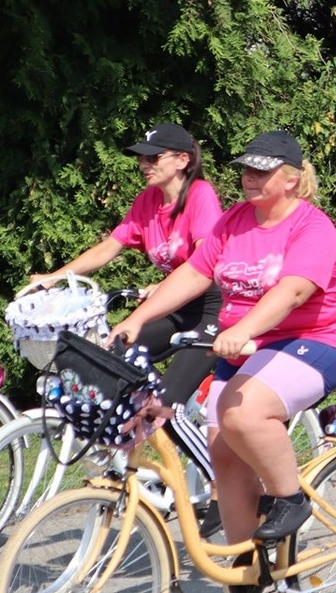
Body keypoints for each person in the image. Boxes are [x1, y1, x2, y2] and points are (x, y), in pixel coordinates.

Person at [111, 130, 336, 593]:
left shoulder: (314, 227)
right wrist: (139, 317)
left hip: (311, 343)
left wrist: (241, 329)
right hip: (246, 346)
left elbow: (290, 293)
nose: (248, 178)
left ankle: (290, 500)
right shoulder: (234, 221)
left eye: (261, 171)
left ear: (291, 179)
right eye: (246, 169)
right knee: (223, 450)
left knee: (243, 414)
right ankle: (249, 571)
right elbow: (194, 276)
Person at [30, 123, 223, 410]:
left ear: (183, 160)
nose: (144, 164)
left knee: (163, 404)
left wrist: (162, 287)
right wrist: (54, 277)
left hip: (211, 308)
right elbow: (109, 247)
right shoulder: (148, 201)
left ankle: (186, 432)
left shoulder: (200, 195)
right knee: (113, 352)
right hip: (175, 305)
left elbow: (202, 262)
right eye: (141, 158)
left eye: (153, 158)